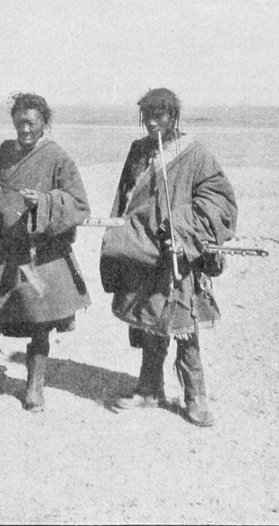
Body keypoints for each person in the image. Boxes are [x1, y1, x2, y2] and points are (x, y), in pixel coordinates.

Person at [99, 88, 238, 427]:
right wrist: (121, 241)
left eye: (159, 116)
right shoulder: (138, 151)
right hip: (143, 250)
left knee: (184, 327)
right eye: (147, 117)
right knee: (150, 320)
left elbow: (219, 201)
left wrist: (183, 228)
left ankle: (195, 398)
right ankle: (149, 390)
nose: (151, 124)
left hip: (178, 253)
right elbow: (125, 199)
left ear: (173, 116)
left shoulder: (196, 154)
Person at [0, 93, 91, 412]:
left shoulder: (57, 157)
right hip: (6, 252)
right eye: (19, 123)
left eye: (32, 122)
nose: (25, 129)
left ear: (44, 122)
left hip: (38, 257)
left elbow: (80, 205)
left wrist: (43, 201)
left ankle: (34, 387)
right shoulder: (5, 151)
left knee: (39, 321)